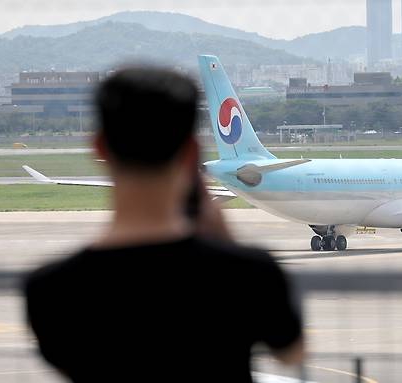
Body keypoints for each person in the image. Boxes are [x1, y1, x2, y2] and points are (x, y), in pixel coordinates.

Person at [24, 68, 304, 382]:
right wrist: (226, 243)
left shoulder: (50, 288)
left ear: (99, 148)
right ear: (192, 152)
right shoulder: (249, 273)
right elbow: (291, 354)